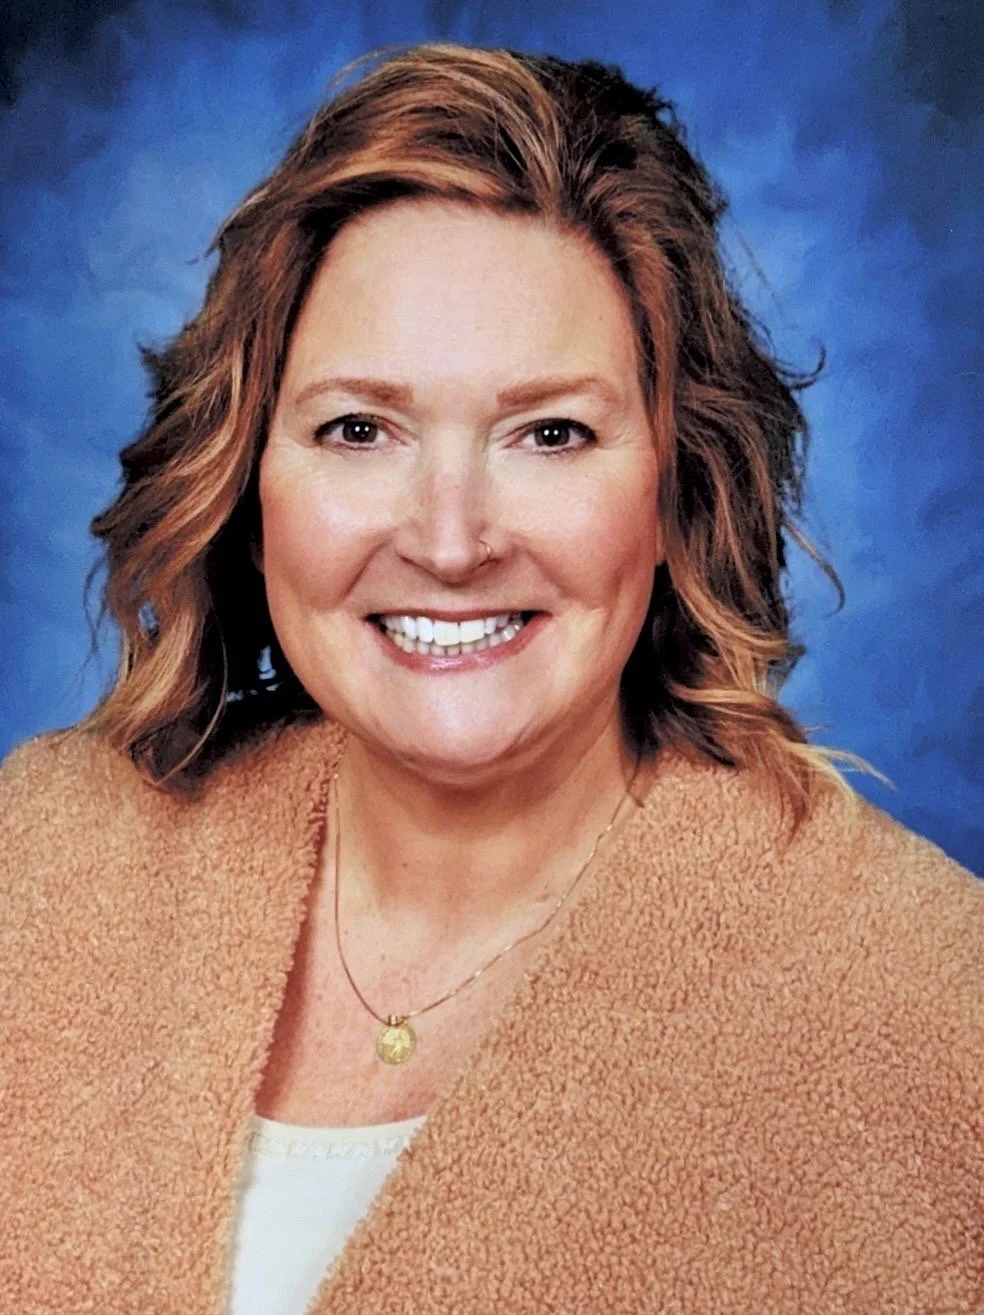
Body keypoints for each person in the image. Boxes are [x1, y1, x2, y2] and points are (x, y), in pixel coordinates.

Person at [1, 40, 980, 1315]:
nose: (451, 538)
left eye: (549, 433)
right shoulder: (42, 867)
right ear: (245, 479)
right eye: (359, 428)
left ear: (677, 484)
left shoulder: (927, 1014)